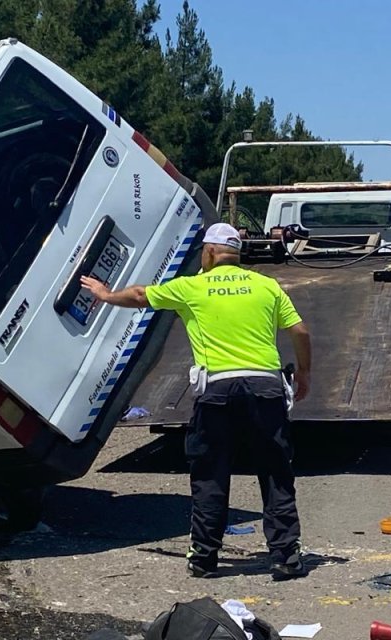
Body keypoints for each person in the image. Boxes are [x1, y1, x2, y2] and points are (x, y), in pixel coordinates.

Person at [79, 223, 312, 581]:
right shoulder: (267, 286)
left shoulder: (193, 286)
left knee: (210, 474)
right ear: (236, 254)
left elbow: (141, 295)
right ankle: (285, 556)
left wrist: (107, 295)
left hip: (218, 389)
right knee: (275, 471)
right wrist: (305, 376)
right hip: (265, 386)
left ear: (208, 253)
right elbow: (300, 331)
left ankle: (204, 558)